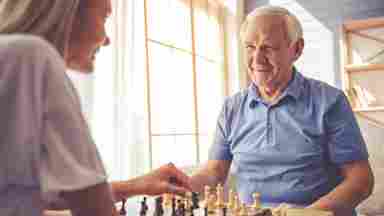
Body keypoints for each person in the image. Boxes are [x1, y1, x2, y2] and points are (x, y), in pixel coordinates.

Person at [0, 0, 191, 216]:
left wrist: (136, 185)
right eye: (105, 17)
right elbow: (94, 207)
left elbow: (28, 195)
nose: (107, 39)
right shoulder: (32, 57)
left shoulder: (13, 58)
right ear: (69, 10)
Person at [189, 6, 374, 216]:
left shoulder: (330, 102)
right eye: (250, 47)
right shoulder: (232, 108)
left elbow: (361, 181)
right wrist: (180, 187)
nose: (257, 59)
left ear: (296, 49)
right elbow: (214, 172)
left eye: (268, 47)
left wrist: (306, 215)